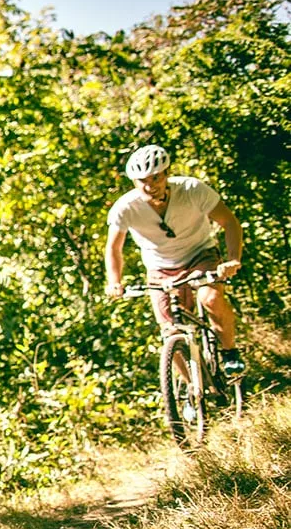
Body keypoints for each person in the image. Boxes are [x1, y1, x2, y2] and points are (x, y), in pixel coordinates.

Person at [104, 144, 246, 375]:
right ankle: (192, 393)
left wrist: (232, 259)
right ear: (134, 182)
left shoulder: (192, 189)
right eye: (142, 181)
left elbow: (230, 222)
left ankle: (230, 352)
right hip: (160, 267)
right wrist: (114, 282)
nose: (150, 185)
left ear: (166, 174)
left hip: (199, 254)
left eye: (156, 177)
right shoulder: (125, 207)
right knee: (170, 332)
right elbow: (113, 247)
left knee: (210, 298)